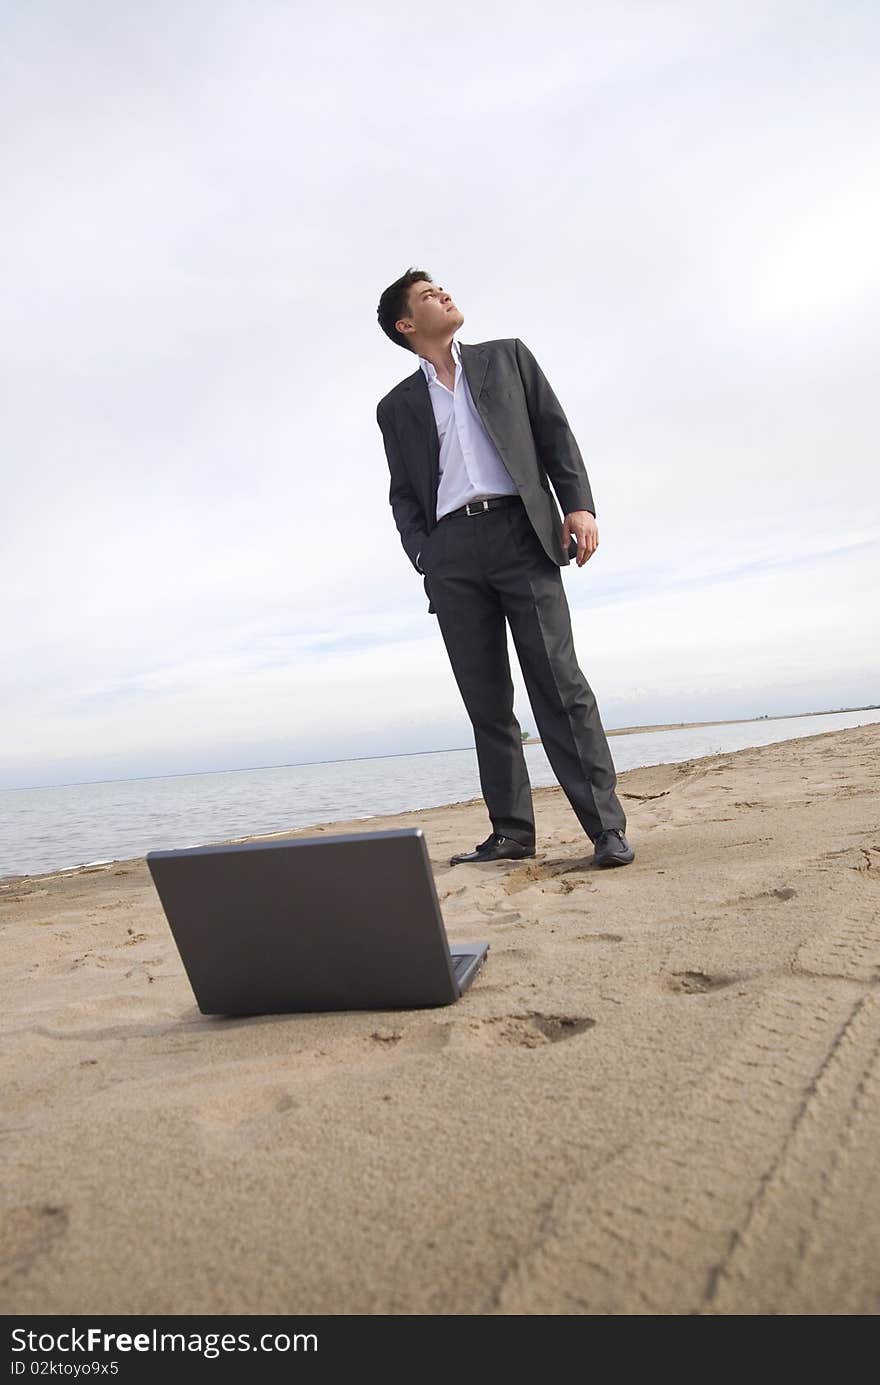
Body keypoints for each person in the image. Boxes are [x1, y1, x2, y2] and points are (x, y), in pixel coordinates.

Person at [375, 269, 634, 869]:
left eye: (441, 286)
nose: (443, 293)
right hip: (451, 554)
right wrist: (426, 556)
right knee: (486, 700)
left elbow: (554, 433)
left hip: (522, 532)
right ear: (406, 325)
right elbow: (402, 495)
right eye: (426, 295)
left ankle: (606, 829)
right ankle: (512, 832)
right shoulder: (396, 407)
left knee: (560, 686)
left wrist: (579, 506)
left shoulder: (507, 359)